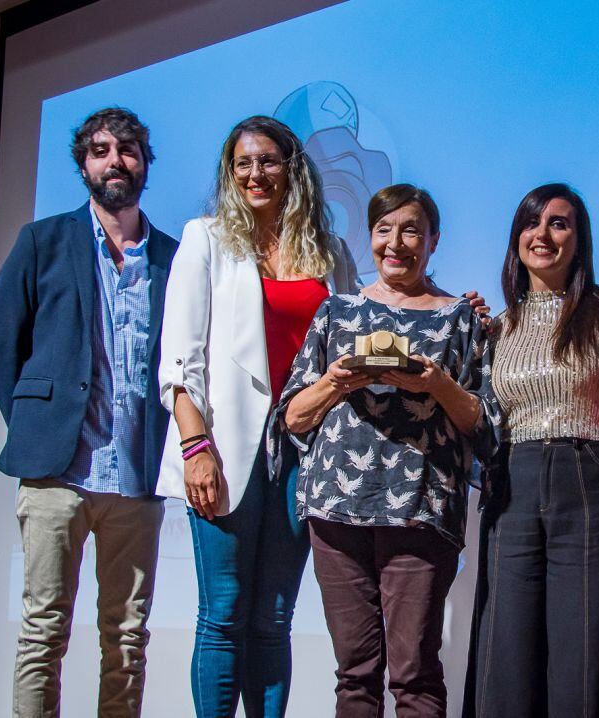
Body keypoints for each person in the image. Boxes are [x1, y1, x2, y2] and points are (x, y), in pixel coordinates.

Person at [155, 115, 360, 717]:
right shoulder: (207, 238)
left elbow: (353, 339)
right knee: (222, 613)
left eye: (268, 160)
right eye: (242, 163)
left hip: (306, 452)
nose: (255, 173)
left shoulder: (332, 252)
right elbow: (180, 359)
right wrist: (196, 449)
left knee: (273, 619)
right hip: (223, 449)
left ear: (292, 169)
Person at [0, 107, 177, 717]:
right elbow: (0, 344)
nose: (114, 160)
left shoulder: (173, 257)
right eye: (100, 150)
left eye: (127, 149)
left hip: (137, 477)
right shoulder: (43, 242)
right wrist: (38, 425)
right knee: (43, 634)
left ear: (145, 162)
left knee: (126, 639)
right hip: (57, 474)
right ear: (83, 164)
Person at [277, 183, 495, 717]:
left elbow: (483, 424)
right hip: (335, 511)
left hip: (420, 511)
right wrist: (335, 381)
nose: (396, 243)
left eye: (412, 230)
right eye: (384, 230)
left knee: (415, 674)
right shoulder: (336, 312)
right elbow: (293, 417)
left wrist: (436, 385)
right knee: (354, 675)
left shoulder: (458, 319)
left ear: (434, 241)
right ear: (369, 237)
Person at [465, 183, 599, 717]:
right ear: (516, 236)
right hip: (512, 481)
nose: (543, 235)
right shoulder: (496, 326)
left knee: (582, 646)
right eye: (532, 223)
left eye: (559, 223)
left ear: (580, 240)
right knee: (506, 642)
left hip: (592, 482)